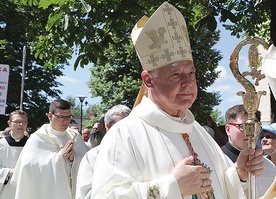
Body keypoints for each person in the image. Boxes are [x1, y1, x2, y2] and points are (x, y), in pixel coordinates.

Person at [90, 2, 264, 198]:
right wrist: (172, 186)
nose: (188, 82)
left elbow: (221, 186)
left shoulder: (196, 129)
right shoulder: (125, 134)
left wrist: (239, 173)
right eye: (175, 74)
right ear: (148, 80)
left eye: (191, 72)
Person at [11, 99, 88, 199]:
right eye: (61, 117)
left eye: (68, 116)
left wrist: (74, 159)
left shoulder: (75, 137)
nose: (66, 121)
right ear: (50, 116)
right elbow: (28, 168)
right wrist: (59, 158)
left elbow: (88, 164)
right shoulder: (38, 138)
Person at [75, 104, 131, 199]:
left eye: (130, 124)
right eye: (121, 124)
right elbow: (85, 194)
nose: (127, 129)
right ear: (108, 126)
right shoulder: (93, 156)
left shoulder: (140, 153)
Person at [222, 104, 275, 197]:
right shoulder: (218, 160)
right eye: (243, 127)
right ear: (228, 129)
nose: (250, 133)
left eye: (255, 127)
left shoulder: (269, 166)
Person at [0, 110, 29, 199]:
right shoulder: (1, 144)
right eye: (17, 122)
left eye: (24, 122)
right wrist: (8, 172)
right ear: (9, 123)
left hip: (26, 188)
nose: (21, 125)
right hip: (6, 189)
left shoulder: (31, 145)